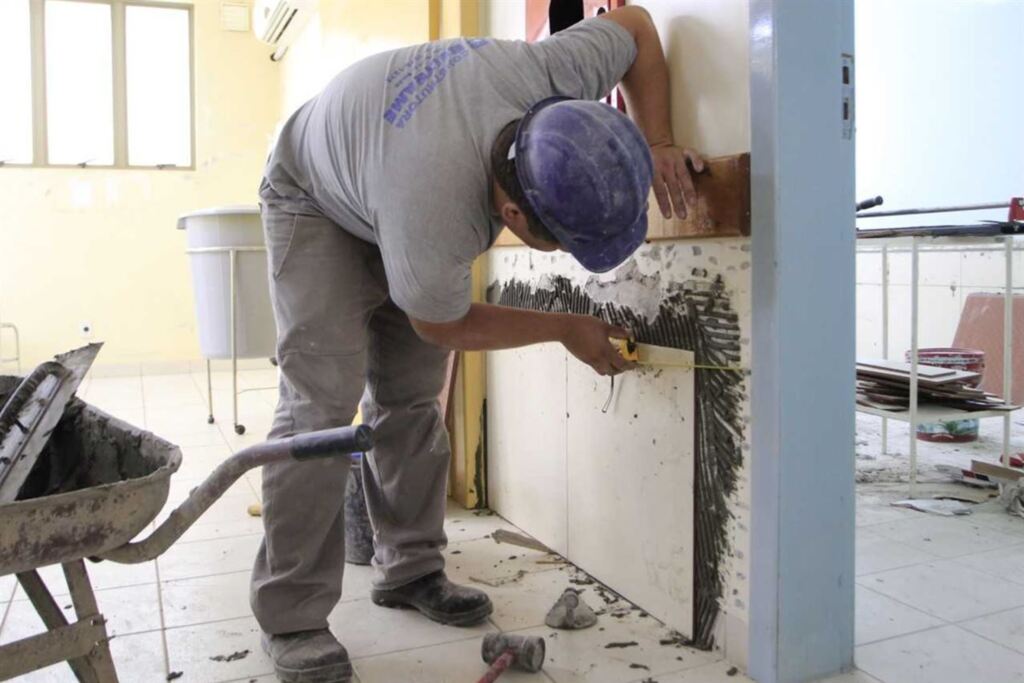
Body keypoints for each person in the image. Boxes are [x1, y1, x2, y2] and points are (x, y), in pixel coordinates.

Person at [252, 6, 703, 682]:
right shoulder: (437, 206)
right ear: (515, 214)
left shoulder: (551, 70)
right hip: (313, 197)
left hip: (383, 167)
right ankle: (291, 616)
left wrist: (659, 137)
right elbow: (444, 322)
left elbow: (636, 25)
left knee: (409, 395)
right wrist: (563, 326)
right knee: (322, 404)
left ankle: (409, 569)